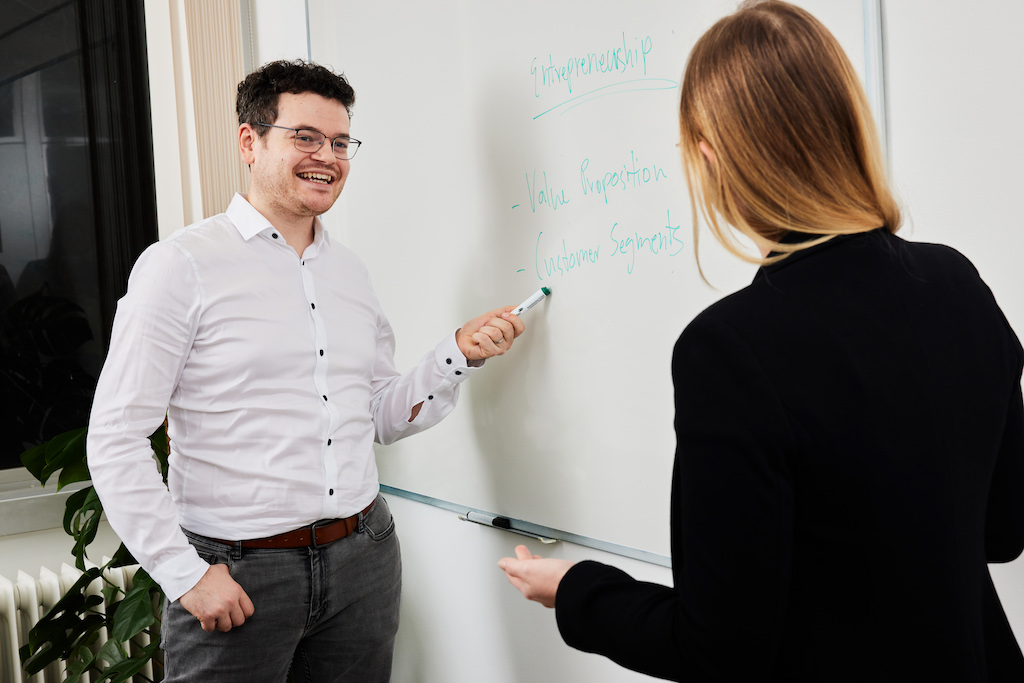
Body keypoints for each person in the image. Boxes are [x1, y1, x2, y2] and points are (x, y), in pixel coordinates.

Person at [498, 2, 1024, 680]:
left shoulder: (729, 350)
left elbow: (719, 649)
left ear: (714, 155)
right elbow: (1003, 532)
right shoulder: (957, 278)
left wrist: (577, 590)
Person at [87, 59, 525, 682]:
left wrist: (457, 354)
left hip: (363, 560)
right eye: (306, 137)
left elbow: (376, 415)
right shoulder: (180, 266)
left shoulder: (348, 274)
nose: (328, 155)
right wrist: (184, 575)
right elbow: (114, 437)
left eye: (341, 141)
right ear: (250, 141)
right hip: (239, 573)